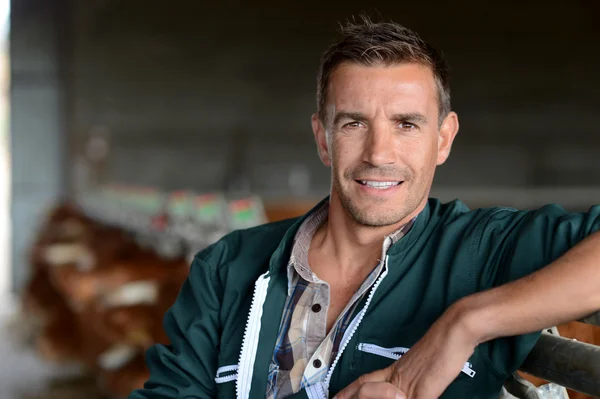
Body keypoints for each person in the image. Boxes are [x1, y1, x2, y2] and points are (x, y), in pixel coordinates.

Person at [128, 17, 600, 399]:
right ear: (323, 138)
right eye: (354, 123)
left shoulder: (485, 251)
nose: (379, 153)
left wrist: (467, 322)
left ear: (444, 138)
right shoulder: (227, 268)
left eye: (406, 124)